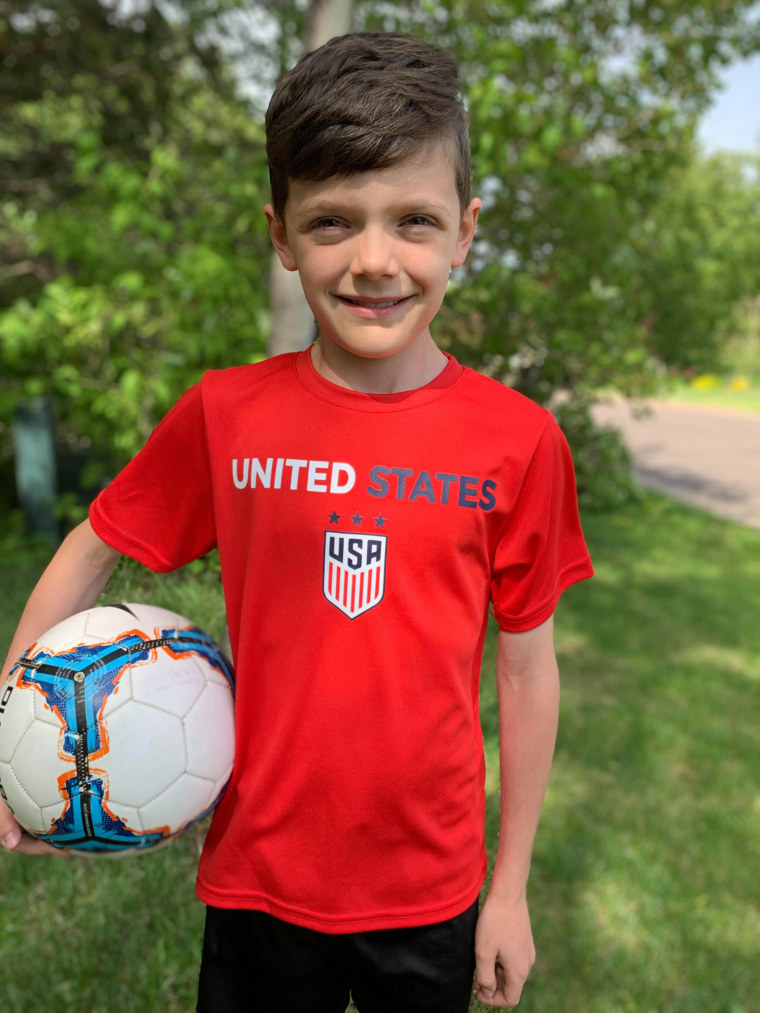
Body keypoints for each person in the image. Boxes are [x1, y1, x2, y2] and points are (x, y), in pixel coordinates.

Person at [0, 32, 593, 1012]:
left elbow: (527, 666)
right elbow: (93, 543)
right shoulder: (227, 415)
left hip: (431, 883)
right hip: (258, 876)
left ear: (465, 231)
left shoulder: (518, 442)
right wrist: (19, 725)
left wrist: (511, 885)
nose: (373, 260)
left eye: (412, 219)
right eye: (331, 222)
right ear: (279, 234)